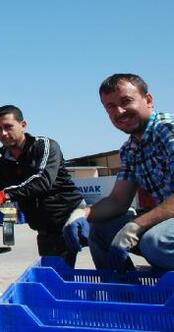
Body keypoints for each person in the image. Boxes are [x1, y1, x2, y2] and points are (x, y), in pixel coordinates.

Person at [84, 73, 174, 271]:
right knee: (101, 231)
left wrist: (135, 227)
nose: (120, 111)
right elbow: (117, 201)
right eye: (111, 107)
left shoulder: (169, 130)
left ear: (148, 100)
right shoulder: (130, 149)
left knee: (156, 242)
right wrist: (82, 215)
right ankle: (124, 296)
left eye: (126, 101)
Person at [0, 105, 87, 267]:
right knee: (54, 277)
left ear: (23, 125)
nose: (3, 134)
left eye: (8, 127)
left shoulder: (45, 146)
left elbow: (42, 180)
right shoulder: (3, 164)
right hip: (46, 229)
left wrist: (4, 194)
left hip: (72, 217)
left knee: (109, 266)